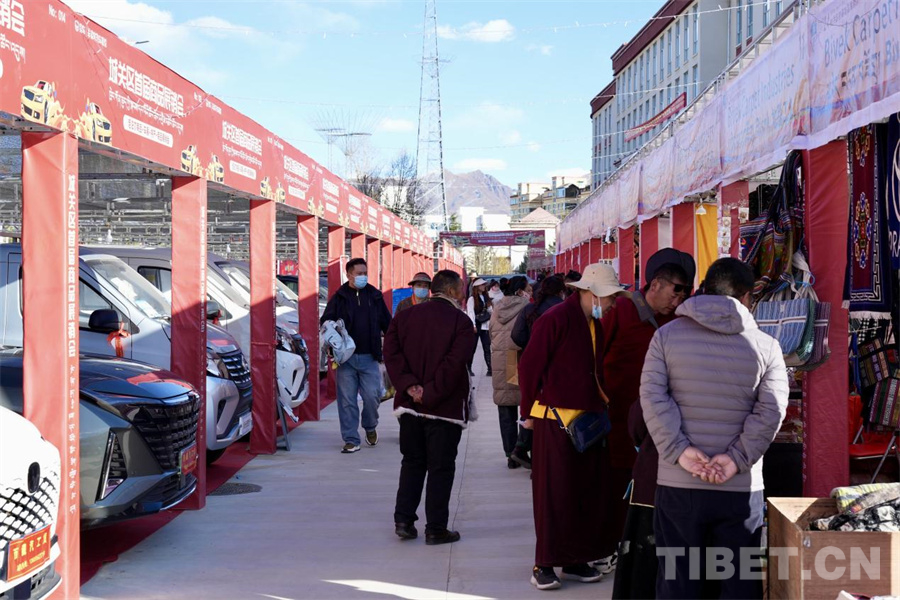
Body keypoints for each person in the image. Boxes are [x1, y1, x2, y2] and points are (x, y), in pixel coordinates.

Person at [641, 258, 788, 599]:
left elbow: (652, 397)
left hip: (679, 482)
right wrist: (735, 459)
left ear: (704, 287)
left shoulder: (665, 337)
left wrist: (680, 451)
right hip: (740, 486)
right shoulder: (767, 347)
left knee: (679, 582)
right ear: (747, 297)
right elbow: (772, 411)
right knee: (738, 583)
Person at [518, 263, 627, 591]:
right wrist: (527, 413)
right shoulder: (554, 320)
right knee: (554, 495)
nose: (611, 305)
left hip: (588, 421)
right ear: (592, 293)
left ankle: (576, 558)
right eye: (609, 298)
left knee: (584, 493)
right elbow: (529, 367)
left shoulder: (593, 323)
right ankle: (544, 562)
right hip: (555, 423)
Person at [600, 248, 696, 582]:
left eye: (688, 292)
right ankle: (616, 548)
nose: (681, 298)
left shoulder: (681, 321)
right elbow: (596, 358)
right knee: (617, 487)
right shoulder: (622, 310)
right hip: (618, 421)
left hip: (662, 429)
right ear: (655, 284)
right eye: (677, 290)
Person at [383, 270, 476, 546]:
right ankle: (436, 528)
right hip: (444, 409)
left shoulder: (404, 318)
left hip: (410, 407)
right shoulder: (461, 322)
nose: (462, 294)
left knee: (412, 462)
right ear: (451, 291)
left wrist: (411, 387)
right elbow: (455, 362)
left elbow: (392, 354)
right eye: (461, 289)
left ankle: (404, 520)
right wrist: (432, 393)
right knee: (441, 467)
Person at [320, 258, 392, 454]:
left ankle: (370, 426)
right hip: (346, 360)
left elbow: (388, 323)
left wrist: (393, 347)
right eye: (359, 273)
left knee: (372, 396)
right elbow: (326, 320)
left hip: (370, 356)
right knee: (347, 401)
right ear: (349, 274)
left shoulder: (375, 296)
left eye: (364, 273)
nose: (363, 276)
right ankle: (351, 439)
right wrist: (331, 331)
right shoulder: (340, 297)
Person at [507, 275, 567, 469]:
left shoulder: (529, 309)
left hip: (530, 363)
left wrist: (531, 347)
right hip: (556, 367)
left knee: (531, 405)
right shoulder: (564, 309)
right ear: (560, 291)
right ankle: (526, 450)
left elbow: (516, 335)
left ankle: (521, 448)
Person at [489, 275, 532, 468]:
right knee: (526, 407)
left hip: (500, 359)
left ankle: (509, 454)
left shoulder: (497, 307)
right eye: (528, 289)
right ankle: (520, 449)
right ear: (521, 291)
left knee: (506, 408)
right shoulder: (527, 307)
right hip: (518, 358)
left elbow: (490, 331)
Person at [466, 278, 493, 376]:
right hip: (476, 324)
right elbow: (470, 312)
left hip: (485, 324)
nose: (484, 286)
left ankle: (490, 369)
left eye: (484, 285)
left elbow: (490, 311)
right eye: (482, 285)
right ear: (477, 287)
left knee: (487, 346)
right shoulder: (472, 299)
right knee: (472, 348)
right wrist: (473, 325)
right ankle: (469, 368)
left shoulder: (486, 297)